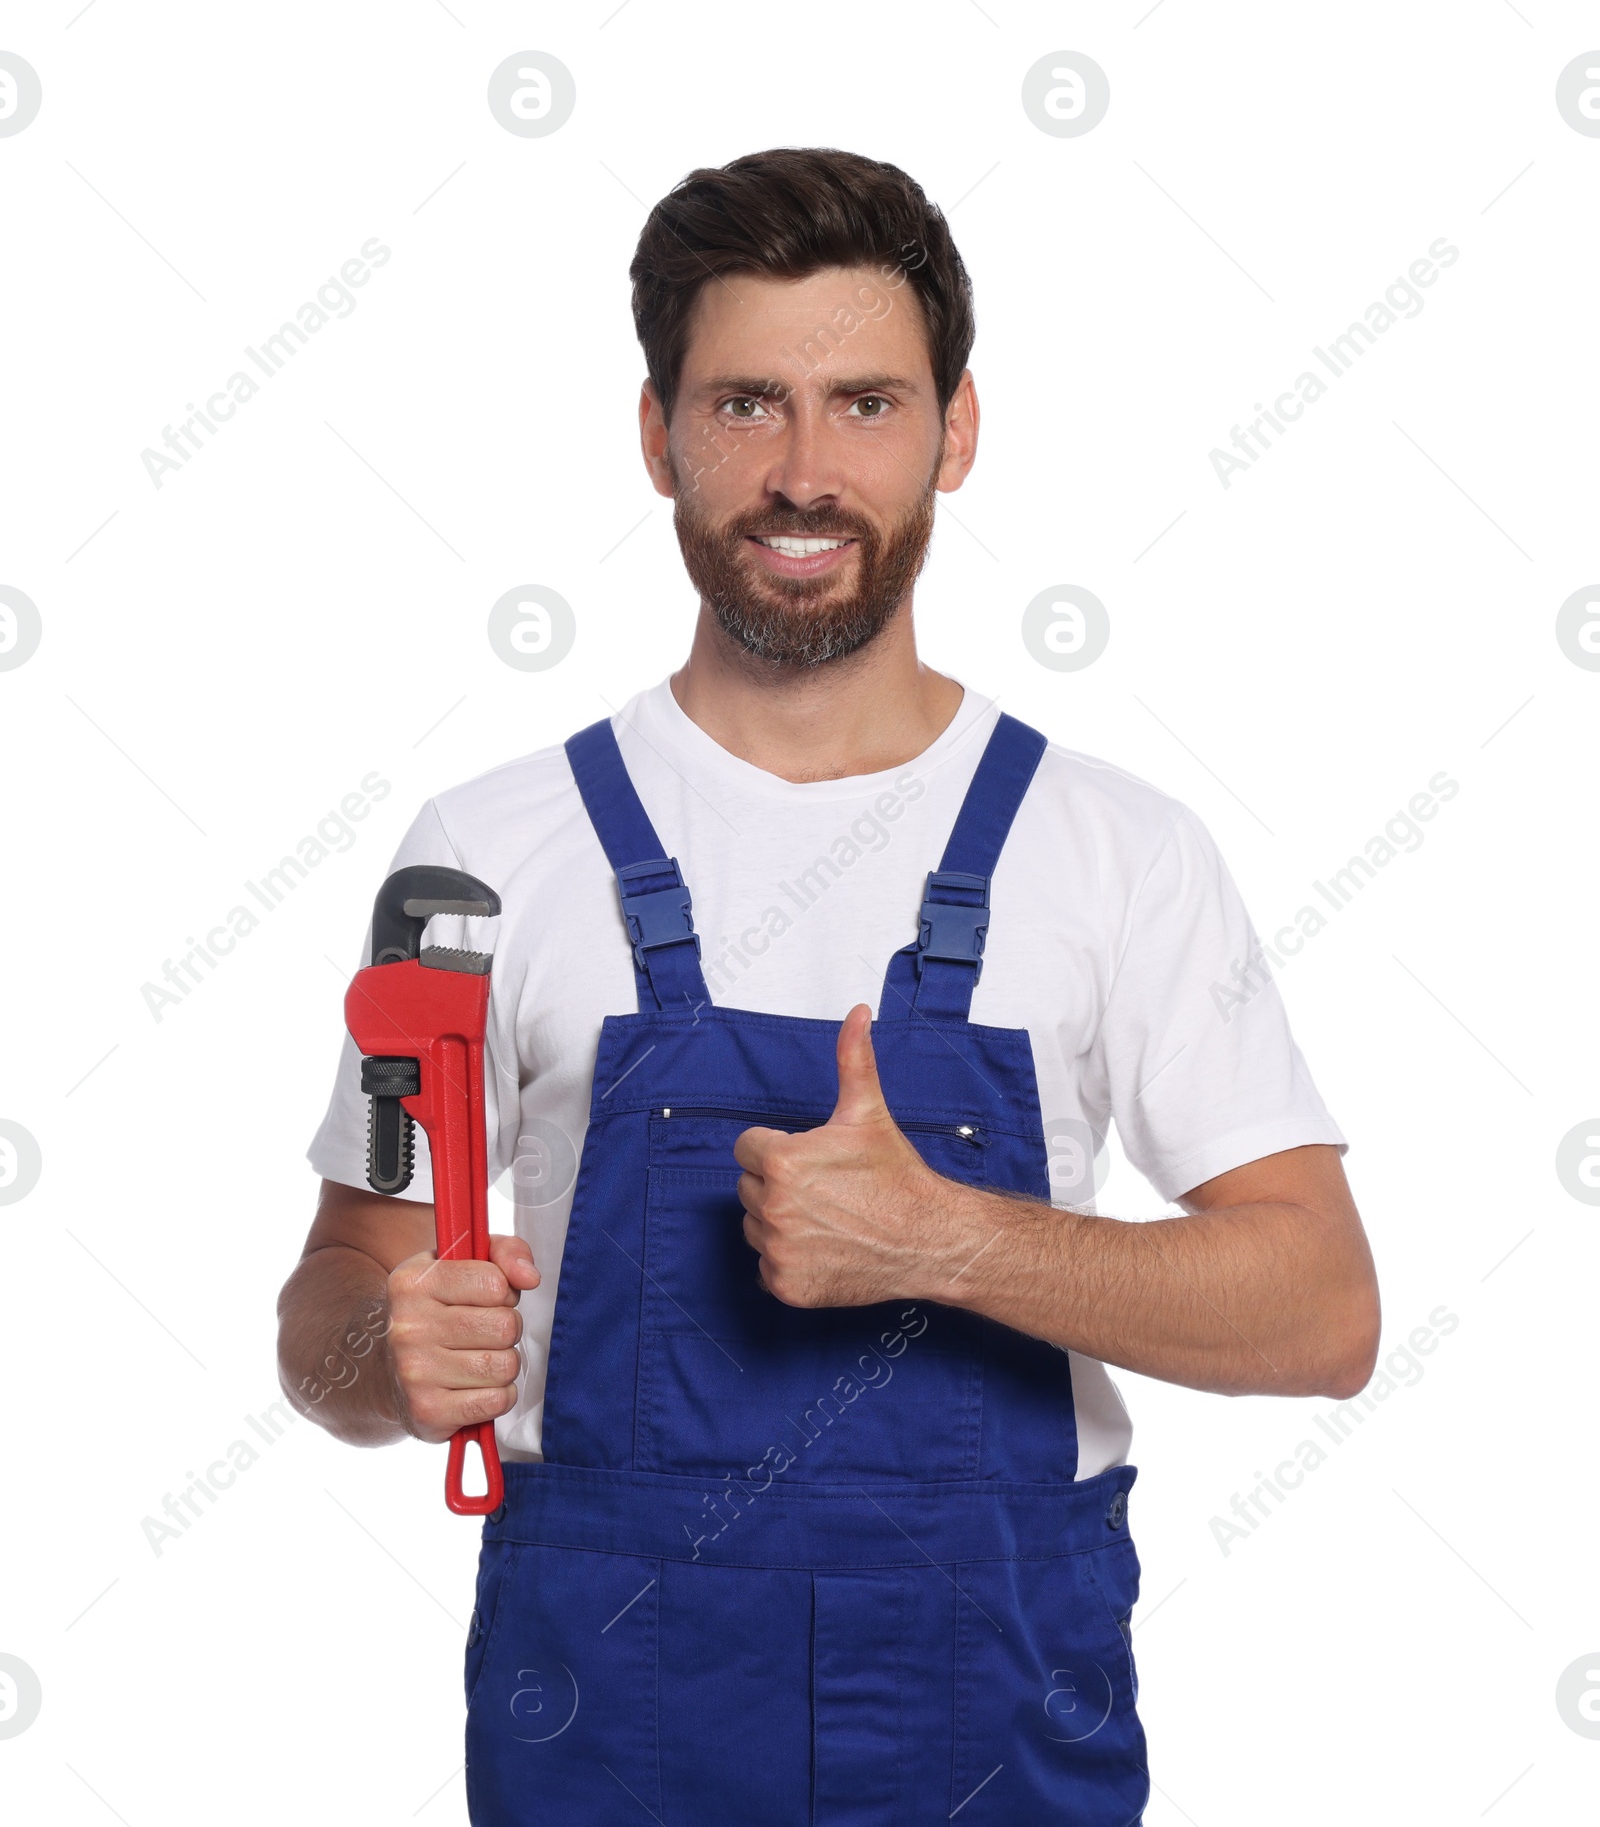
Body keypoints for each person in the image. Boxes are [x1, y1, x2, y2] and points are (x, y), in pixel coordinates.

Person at [277, 145, 1380, 1824]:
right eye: (743, 406)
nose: (805, 473)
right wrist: (386, 1351)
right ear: (656, 437)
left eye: (866, 404)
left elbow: (1325, 1310)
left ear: (957, 432)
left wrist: (946, 1240)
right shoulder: (480, 856)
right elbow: (332, 1309)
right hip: (610, 1725)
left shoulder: (1114, 853)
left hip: (997, 1719)